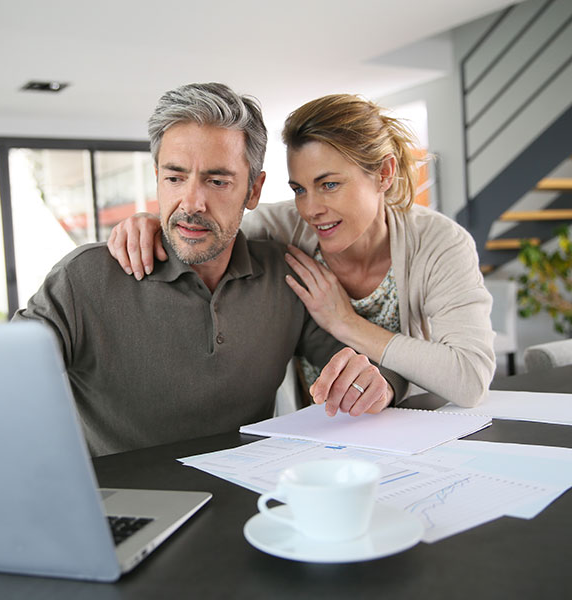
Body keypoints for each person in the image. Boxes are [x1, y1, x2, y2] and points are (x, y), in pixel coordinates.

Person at [14, 83, 407, 456]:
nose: (191, 203)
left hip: (247, 501)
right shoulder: (85, 279)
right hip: (121, 509)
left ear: (253, 190)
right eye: (174, 177)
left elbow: (367, 367)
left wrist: (375, 384)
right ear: (157, 179)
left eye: (217, 181)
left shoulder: (283, 276)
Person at [107, 93, 495, 408]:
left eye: (329, 185)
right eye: (299, 189)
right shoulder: (283, 230)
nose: (310, 210)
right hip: (319, 431)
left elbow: (469, 379)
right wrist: (152, 221)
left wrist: (346, 323)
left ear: (384, 173)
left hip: (418, 428)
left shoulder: (439, 244)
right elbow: (208, 224)